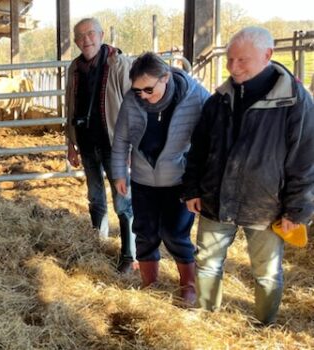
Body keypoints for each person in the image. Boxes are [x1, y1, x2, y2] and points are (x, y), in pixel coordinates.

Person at [183, 27, 314, 324]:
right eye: (230, 59)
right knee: (206, 262)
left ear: (267, 55)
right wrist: (191, 189)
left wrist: (297, 209)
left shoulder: (294, 101)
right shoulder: (219, 99)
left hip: (267, 204)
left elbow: (304, 159)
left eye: (243, 60)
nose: (233, 67)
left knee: (266, 271)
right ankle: (206, 314)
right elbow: (199, 148)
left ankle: (264, 324)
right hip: (217, 197)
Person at [111, 52, 210, 306]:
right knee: (145, 232)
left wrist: (200, 183)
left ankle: (188, 286)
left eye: (147, 89)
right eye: (136, 90)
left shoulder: (195, 96)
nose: (142, 95)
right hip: (143, 179)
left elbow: (209, 138)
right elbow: (121, 138)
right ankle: (149, 283)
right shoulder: (133, 101)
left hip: (179, 180)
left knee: (175, 233)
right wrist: (119, 173)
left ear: (165, 77)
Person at [64, 18, 137, 273]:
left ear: (101, 35)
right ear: (75, 41)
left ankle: (129, 254)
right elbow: (70, 108)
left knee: (123, 199)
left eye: (91, 34)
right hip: (86, 142)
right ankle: (99, 243)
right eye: (80, 36)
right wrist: (71, 143)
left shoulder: (119, 64)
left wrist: (131, 146)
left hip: (114, 145)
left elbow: (134, 106)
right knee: (95, 197)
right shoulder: (74, 68)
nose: (86, 40)